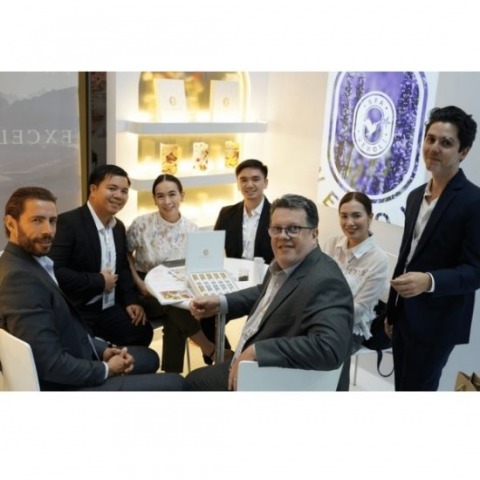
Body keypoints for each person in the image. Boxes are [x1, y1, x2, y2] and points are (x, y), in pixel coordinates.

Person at [0, 186, 186, 391]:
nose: (48, 231)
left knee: (149, 358)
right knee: (177, 383)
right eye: (37, 220)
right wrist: (106, 369)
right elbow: (50, 365)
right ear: (11, 223)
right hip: (67, 386)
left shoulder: (28, 262)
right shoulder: (19, 279)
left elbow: (64, 327)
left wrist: (102, 350)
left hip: (76, 353)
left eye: (52, 221)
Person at [185, 194, 354, 391]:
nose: (283, 236)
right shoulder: (286, 262)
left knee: (191, 383)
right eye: (276, 229)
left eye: (293, 228)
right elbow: (265, 293)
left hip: (275, 378)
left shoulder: (326, 281)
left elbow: (329, 348)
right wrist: (221, 301)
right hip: (252, 364)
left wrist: (258, 351)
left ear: (314, 234)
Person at [385, 105, 480, 391]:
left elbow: (475, 271)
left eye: (446, 143)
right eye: (431, 139)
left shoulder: (473, 201)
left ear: (463, 152)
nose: (435, 148)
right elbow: (407, 256)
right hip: (404, 315)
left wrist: (429, 281)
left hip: (438, 322)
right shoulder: (415, 196)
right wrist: (392, 310)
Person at [49, 164, 153, 347]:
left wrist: (130, 301)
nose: (119, 196)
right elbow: (54, 271)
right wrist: (98, 281)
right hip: (78, 309)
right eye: (112, 188)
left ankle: (117, 362)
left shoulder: (118, 227)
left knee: (142, 331)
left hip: (107, 306)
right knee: (85, 348)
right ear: (93, 190)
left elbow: (122, 267)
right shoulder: (68, 222)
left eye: (124, 191)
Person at [126, 173, 218, 372]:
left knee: (175, 312)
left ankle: (172, 376)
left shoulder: (191, 228)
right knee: (177, 308)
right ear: (154, 199)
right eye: (160, 196)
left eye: (172, 194)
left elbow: (194, 265)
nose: (167, 201)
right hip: (145, 289)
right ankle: (209, 349)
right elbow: (126, 253)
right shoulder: (141, 224)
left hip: (176, 288)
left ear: (182, 196)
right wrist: (138, 282)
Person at [322, 191, 389, 390]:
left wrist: (322, 319)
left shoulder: (378, 259)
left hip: (351, 326)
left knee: (329, 347)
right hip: (319, 316)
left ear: (370, 217)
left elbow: (358, 309)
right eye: (344, 216)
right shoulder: (331, 244)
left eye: (356, 216)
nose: (349, 222)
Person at [214, 158, 274, 264]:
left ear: (265, 183)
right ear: (238, 184)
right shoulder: (226, 214)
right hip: (233, 271)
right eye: (244, 180)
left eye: (255, 179)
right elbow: (213, 247)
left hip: (266, 272)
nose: (249, 185)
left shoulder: (276, 215)